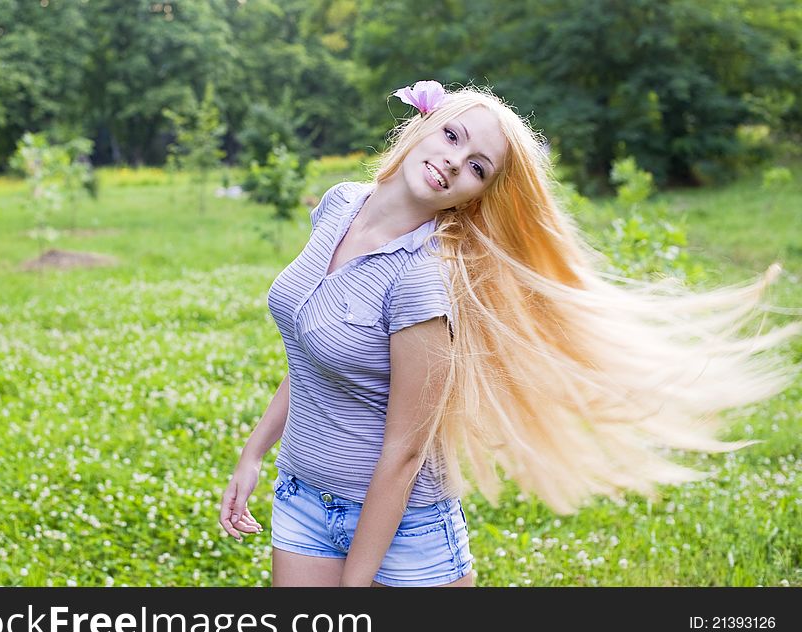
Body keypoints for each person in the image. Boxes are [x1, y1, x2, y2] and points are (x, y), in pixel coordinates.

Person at [220, 81, 802, 587]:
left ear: (479, 195)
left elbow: (406, 449)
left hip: (403, 528)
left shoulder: (419, 280)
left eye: (478, 167)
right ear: (425, 124)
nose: (455, 162)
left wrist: (356, 585)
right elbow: (312, 357)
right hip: (302, 497)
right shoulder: (339, 204)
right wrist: (253, 455)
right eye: (454, 138)